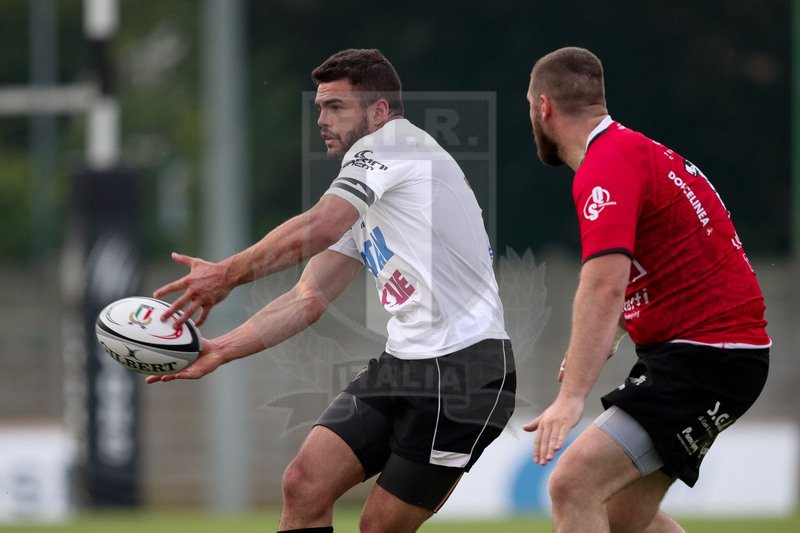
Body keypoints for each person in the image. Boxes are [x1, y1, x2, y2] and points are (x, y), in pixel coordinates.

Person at [147, 48, 516, 533]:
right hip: (405, 363)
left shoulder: (395, 145)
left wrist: (226, 274)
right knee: (303, 483)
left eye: (336, 107)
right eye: (320, 107)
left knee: (379, 526)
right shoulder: (368, 187)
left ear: (379, 111)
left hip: (467, 372)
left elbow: (320, 226)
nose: (322, 119)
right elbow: (309, 298)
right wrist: (220, 348)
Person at [522, 47, 770, 533]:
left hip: (705, 357)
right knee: (625, 520)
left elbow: (604, 284)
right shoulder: (636, 152)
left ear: (543, 107)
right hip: (718, 355)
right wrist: (605, 342)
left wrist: (572, 397)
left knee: (573, 484)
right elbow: (656, 266)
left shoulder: (605, 166)